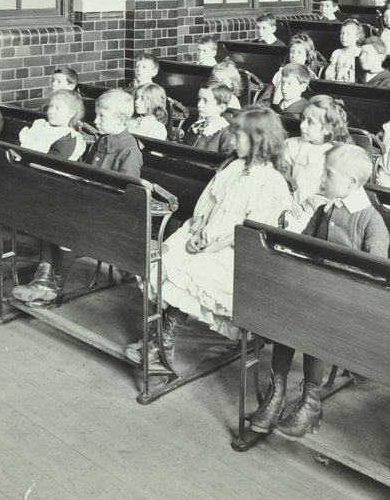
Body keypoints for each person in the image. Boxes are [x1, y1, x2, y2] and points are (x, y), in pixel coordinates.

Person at [125, 108, 294, 370]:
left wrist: (211, 246)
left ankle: (163, 343)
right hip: (205, 236)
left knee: (191, 274)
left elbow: (252, 229)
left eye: (239, 137)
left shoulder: (271, 182)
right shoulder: (233, 167)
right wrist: (197, 230)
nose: (233, 142)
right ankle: (158, 338)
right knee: (166, 260)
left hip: (234, 250)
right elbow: (208, 204)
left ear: (259, 139)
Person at [249, 144, 390, 437]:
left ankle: (311, 402)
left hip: (347, 304)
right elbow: (301, 245)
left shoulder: (371, 221)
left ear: (351, 183)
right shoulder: (325, 208)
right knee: (290, 311)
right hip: (315, 294)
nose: (322, 179)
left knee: (311, 319)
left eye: (328, 173)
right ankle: (276, 393)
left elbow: (376, 275)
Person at [11, 89, 142, 305]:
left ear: (120, 119)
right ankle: (43, 278)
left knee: (69, 225)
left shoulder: (129, 151)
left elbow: (126, 197)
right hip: (90, 205)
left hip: (110, 214)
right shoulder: (102, 142)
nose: (95, 120)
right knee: (51, 210)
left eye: (101, 117)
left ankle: (56, 288)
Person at [0, 90, 87, 207]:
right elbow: (22, 150)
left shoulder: (68, 137)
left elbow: (50, 166)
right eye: (51, 106)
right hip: (25, 173)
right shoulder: (40, 125)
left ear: (71, 113)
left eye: (57, 108)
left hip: (46, 182)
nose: (51, 111)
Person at [281, 95, 352, 232]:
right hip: (289, 206)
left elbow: (331, 194)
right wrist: (288, 200)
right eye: (303, 119)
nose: (302, 125)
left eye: (310, 122)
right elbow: (281, 176)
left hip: (317, 214)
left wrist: (309, 207)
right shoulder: (292, 145)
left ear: (327, 129)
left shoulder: (334, 155)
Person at [184, 82, 236, 153]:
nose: (199, 105)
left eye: (205, 101)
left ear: (221, 107)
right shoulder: (195, 127)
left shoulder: (226, 133)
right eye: (199, 99)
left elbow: (226, 160)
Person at [272, 35, 323, 104]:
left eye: (299, 52)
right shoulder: (283, 73)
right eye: (292, 51)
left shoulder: (312, 76)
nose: (294, 56)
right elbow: (276, 101)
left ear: (307, 56)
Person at [324, 19, 363, 83]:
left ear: (357, 36)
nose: (343, 36)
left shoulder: (361, 53)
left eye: (348, 34)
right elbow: (329, 73)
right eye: (342, 33)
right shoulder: (337, 53)